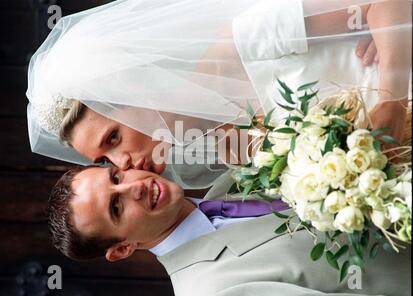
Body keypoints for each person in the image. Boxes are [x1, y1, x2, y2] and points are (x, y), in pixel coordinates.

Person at [26, 0, 411, 193]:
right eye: (104, 159)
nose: (122, 163)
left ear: (130, 89)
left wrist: (390, 98)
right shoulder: (230, 156)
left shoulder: (239, 43)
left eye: (112, 138)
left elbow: (386, 5)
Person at [46, 166, 411, 296]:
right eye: (116, 207)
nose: (133, 188)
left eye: (116, 178)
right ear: (123, 249)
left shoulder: (232, 179)